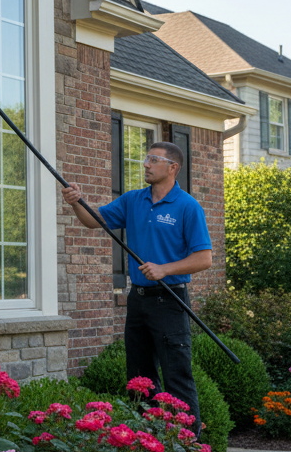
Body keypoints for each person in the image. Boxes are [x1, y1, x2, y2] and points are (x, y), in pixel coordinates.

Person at [62, 141, 212, 432]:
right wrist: (76, 202)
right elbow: (94, 221)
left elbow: (204, 258)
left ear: (173, 167)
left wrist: (164, 269)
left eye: (154, 159)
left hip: (170, 301)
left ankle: (189, 446)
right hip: (138, 300)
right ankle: (145, 440)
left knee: (177, 375)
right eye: (146, 158)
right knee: (139, 378)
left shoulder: (187, 206)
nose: (145, 164)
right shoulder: (133, 200)